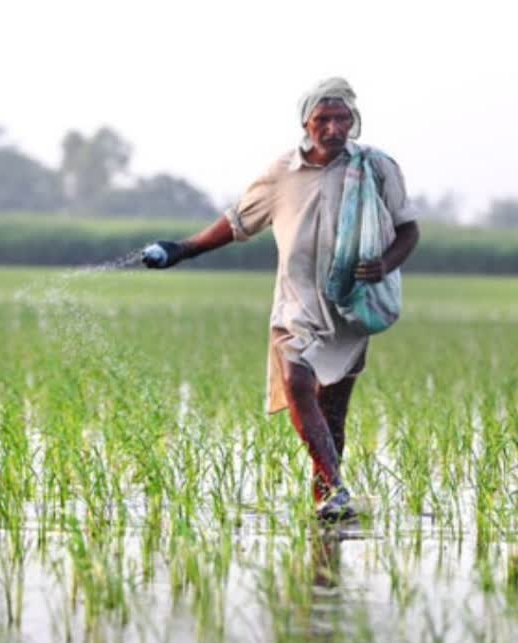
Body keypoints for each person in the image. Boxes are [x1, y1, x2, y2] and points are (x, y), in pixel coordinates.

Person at [142, 77, 420, 520]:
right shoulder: (282, 174)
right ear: (306, 123)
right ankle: (336, 488)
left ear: (354, 121)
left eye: (342, 118)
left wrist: (386, 264)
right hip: (296, 306)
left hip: (349, 307)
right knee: (297, 383)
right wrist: (181, 249)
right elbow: (236, 223)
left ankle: (327, 502)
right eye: (323, 119)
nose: (333, 128)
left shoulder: (376, 169)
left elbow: (408, 229)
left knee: (332, 414)